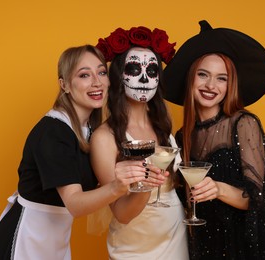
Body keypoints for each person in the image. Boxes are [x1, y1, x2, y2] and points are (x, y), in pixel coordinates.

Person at [0, 45, 163, 260]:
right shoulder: (53, 132)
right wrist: (117, 185)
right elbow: (75, 204)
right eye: (84, 75)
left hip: (55, 240)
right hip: (25, 239)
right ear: (65, 85)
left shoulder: (87, 130)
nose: (97, 82)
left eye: (101, 72)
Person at [163, 20, 265, 259]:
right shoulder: (182, 136)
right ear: (191, 78)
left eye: (222, 78)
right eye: (203, 75)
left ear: (231, 85)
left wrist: (218, 188)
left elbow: (258, 199)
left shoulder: (243, 123)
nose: (210, 85)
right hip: (209, 242)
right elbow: (185, 200)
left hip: (249, 242)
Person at [91, 26, 189, 259]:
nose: (144, 78)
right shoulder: (104, 138)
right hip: (134, 246)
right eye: (134, 69)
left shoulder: (164, 126)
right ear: (118, 75)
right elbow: (122, 214)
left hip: (176, 236)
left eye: (153, 70)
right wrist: (147, 184)